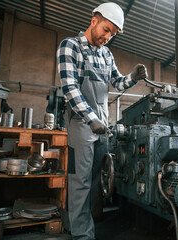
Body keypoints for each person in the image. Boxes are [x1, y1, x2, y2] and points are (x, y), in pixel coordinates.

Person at [56, 2, 148, 239]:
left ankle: (83, 227)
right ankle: (81, 235)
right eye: (106, 30)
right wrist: (91, 118)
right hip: (81, 125)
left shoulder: (106, 54)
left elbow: (117, 82)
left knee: (95, 182)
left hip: (102, 128)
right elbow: (70, 89)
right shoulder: (70, 46)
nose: (107, 37)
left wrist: (134, 77)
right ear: (94, 20)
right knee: (80, 183)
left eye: (112, 35)